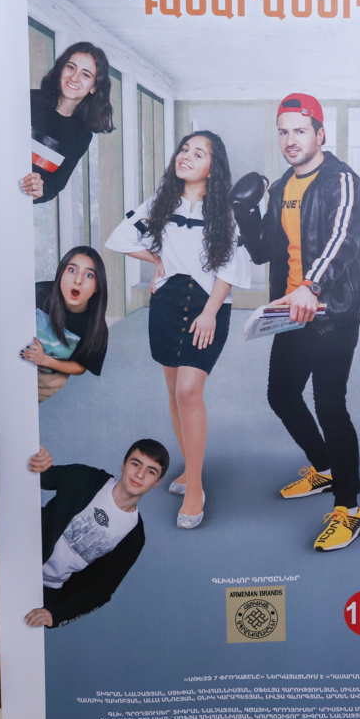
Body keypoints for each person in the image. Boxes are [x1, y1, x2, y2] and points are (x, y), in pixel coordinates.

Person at [233, 94, 360, 552]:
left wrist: (311, 285)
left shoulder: (341, 181)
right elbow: (262, 252)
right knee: (281, 395)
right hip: (290, 312)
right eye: (284, 131)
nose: (290, 140)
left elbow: (342, 240)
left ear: (320, 133)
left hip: (331, 312)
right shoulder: (280, 187)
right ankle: (325, 468)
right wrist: (245, 212)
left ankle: (349, 510)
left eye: (299, 130)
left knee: (330, 405)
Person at [105, 131, 253, 530]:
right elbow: (120, 237)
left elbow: (231, 269)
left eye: (198, 153)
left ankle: (195, 488)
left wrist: (209, 313)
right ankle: (190, 468)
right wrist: (158, 260)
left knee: (189, 390)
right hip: (167, 303)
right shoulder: (162, 201)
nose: (186, 156)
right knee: (174, 392)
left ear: (213, 167)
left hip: (207, 305)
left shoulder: (225, 209)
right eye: (184, 149)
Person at [23, 439, 168, 629]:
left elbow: (102, 590)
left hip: (46, 592)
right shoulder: (87, 478)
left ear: (157, 482)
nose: (140, 475)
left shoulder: (134, 536)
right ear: (123, 464)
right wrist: (37, 458)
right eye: (135, 464)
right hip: (19, 560)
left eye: (151, 471)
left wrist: (56, 615)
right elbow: (43, 477)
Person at [20, 42, 116, 203]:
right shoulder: (26, 100)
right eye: (71, 67)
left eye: (85, 75)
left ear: (94, 87)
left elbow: (55, 184)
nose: (74, 78)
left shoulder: (81, 136)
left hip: (15, 204)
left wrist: (40, 190)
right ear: (60, 70)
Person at [22, 246, 109, 403]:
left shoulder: (96, 327)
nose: (78, 280)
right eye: (72, 270)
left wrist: (45, 360)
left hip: (47, 387)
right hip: (15, 369)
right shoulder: (39, 292)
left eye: (89, 275)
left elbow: (81, 366)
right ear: (60, 273)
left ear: (97, 286)